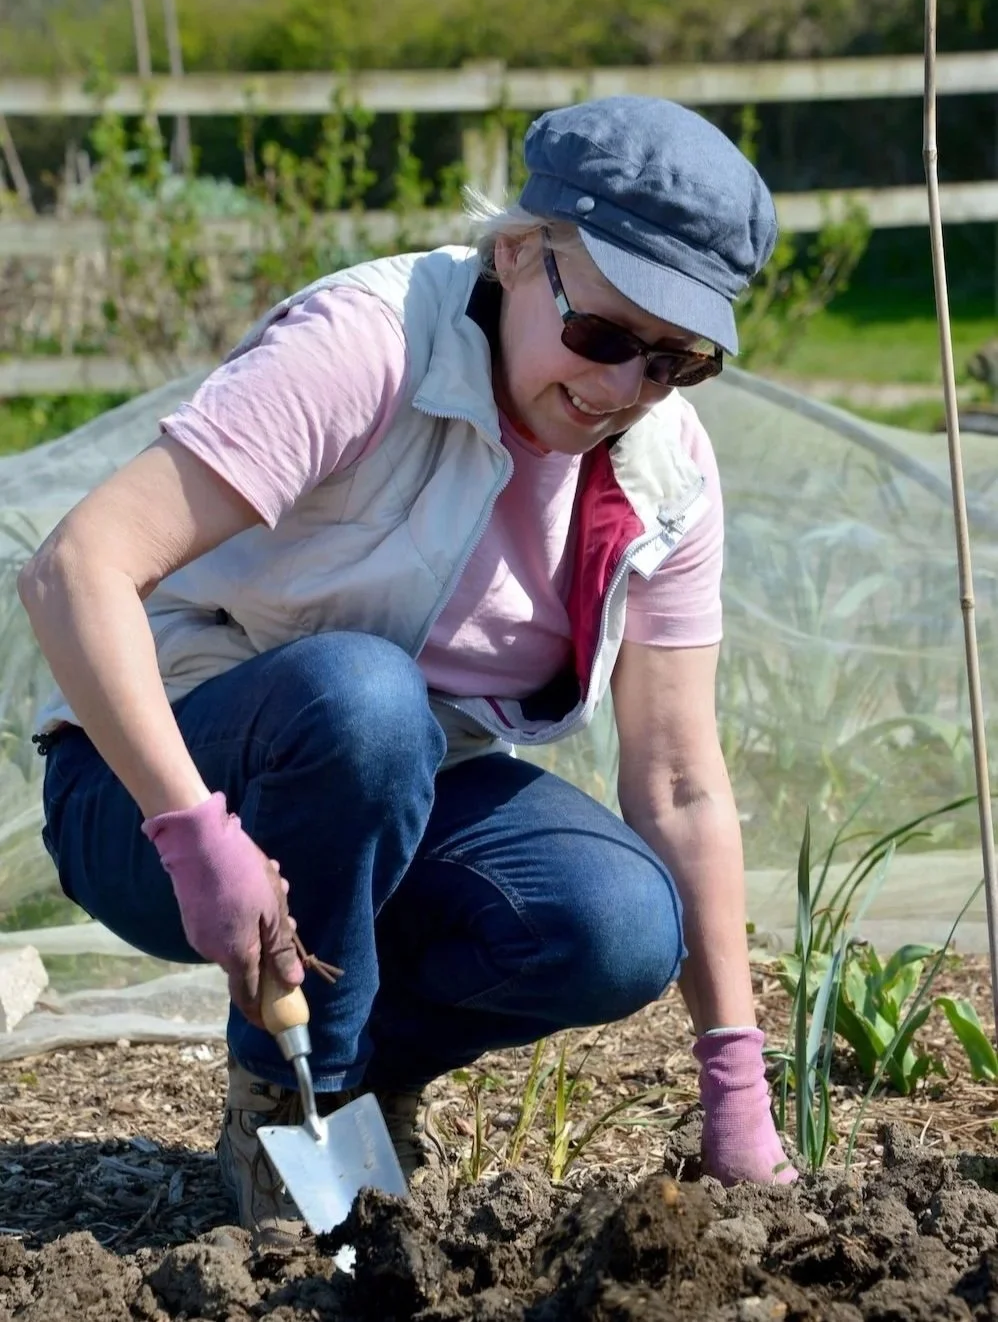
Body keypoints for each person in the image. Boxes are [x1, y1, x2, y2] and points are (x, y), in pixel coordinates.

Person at [18, 94, 796, 1248]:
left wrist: (734, 1091)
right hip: (147, 784)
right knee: (365, 704)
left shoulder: (662, 470)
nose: (626, 387)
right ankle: (296, 1109)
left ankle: (366, 1077)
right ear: (521, 252)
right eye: (603, 337)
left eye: (675, 360)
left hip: (393, 791)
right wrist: (191, 826)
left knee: (618, 921)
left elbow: (678, 778)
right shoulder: (369, 343)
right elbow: (73, 570)